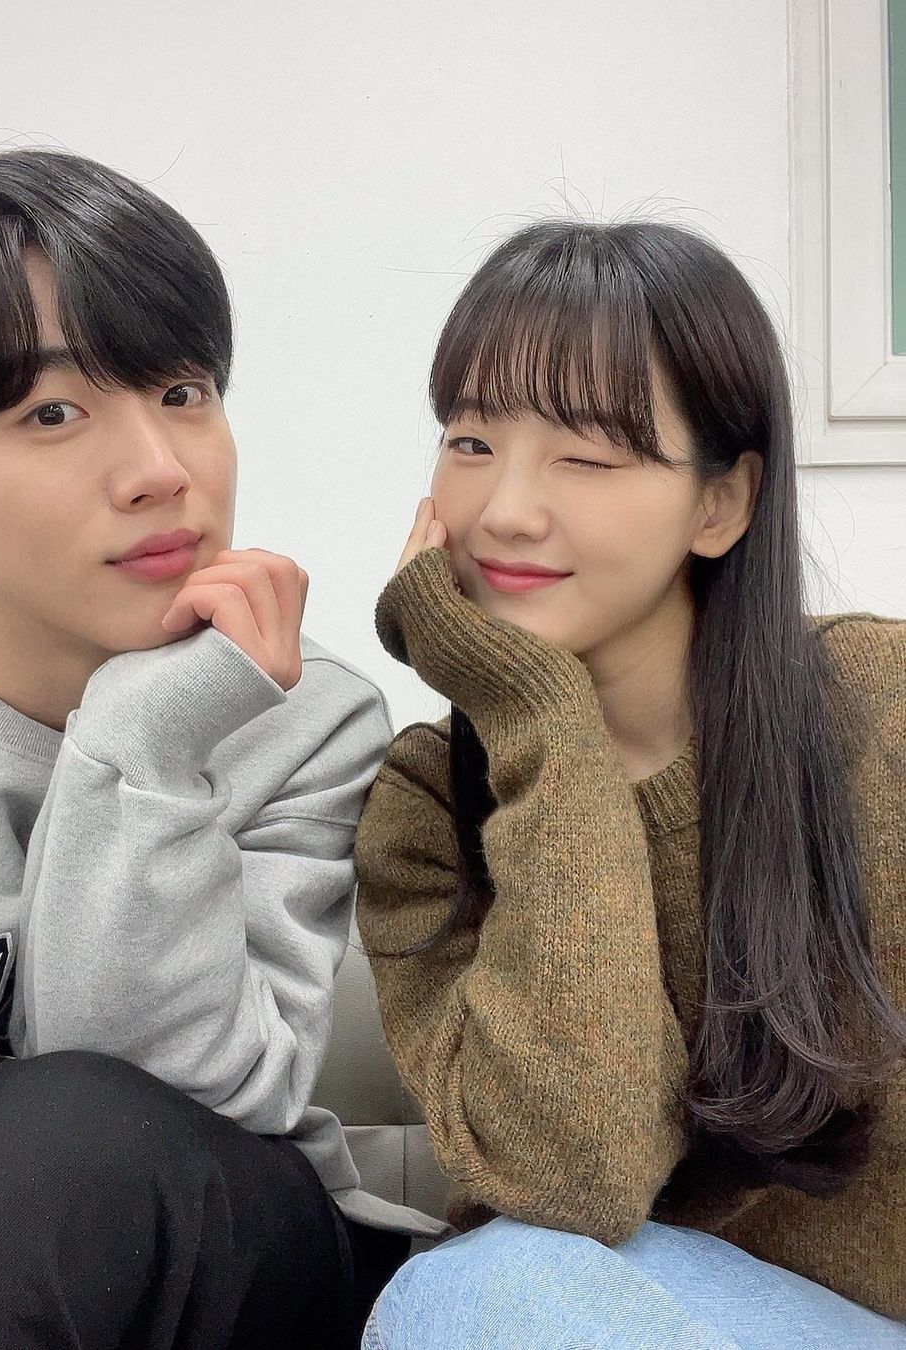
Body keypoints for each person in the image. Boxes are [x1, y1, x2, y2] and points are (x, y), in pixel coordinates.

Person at [0, 148, 436, 1350]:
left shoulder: (308, 721)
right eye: (53, 414)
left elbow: (185, 1097)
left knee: (70, 1123)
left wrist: (144, 740)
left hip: (233, 1258)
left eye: (183, 392)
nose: (161, 471)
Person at [353, 219, 906, 1348]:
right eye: (470, 442)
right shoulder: (427, 811)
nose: (505, 509)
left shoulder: (881, 711)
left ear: (722, 504)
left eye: (588, 457)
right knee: (472, 1293)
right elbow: (575, 1178)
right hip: (626, 1313)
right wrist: (540, 718)